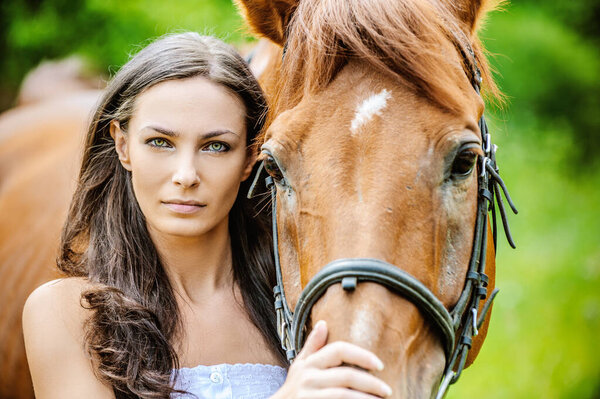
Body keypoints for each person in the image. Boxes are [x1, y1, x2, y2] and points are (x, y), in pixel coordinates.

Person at [22, 32, 393, 399]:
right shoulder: (66, 313)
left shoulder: (302, 304)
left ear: (250, 158)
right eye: (160, 143)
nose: (186, 175)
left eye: (216, 146)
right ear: (123, 145)